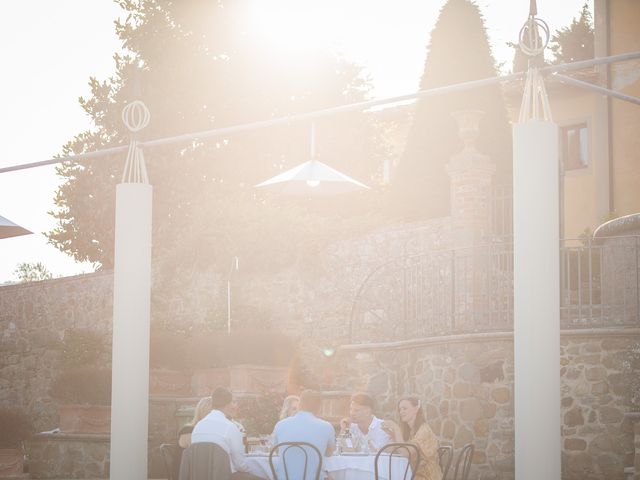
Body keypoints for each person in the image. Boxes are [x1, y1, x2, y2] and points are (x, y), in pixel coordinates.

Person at [191, 387, 264, 479]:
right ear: (229, 404)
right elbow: (240, 465)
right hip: (226, 476)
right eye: (233, 402)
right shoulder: (230, 427)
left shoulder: (198, 426)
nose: (235, 406)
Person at [271, 390, 335, 479]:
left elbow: (277, 451)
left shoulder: (280, 425)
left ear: (300, 404)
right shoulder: (327, 427)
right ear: (319, 407)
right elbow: (329, 453)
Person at [381, 396, 442, 480]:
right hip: (410, 473)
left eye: (404, 408)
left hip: (425, 476)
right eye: (400, 409)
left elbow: (406, 453)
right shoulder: (410, 432)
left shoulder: (424, 430)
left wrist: (396, 429)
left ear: (416, 409)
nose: (401, 412)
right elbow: (390, 451)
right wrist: (393, 436)